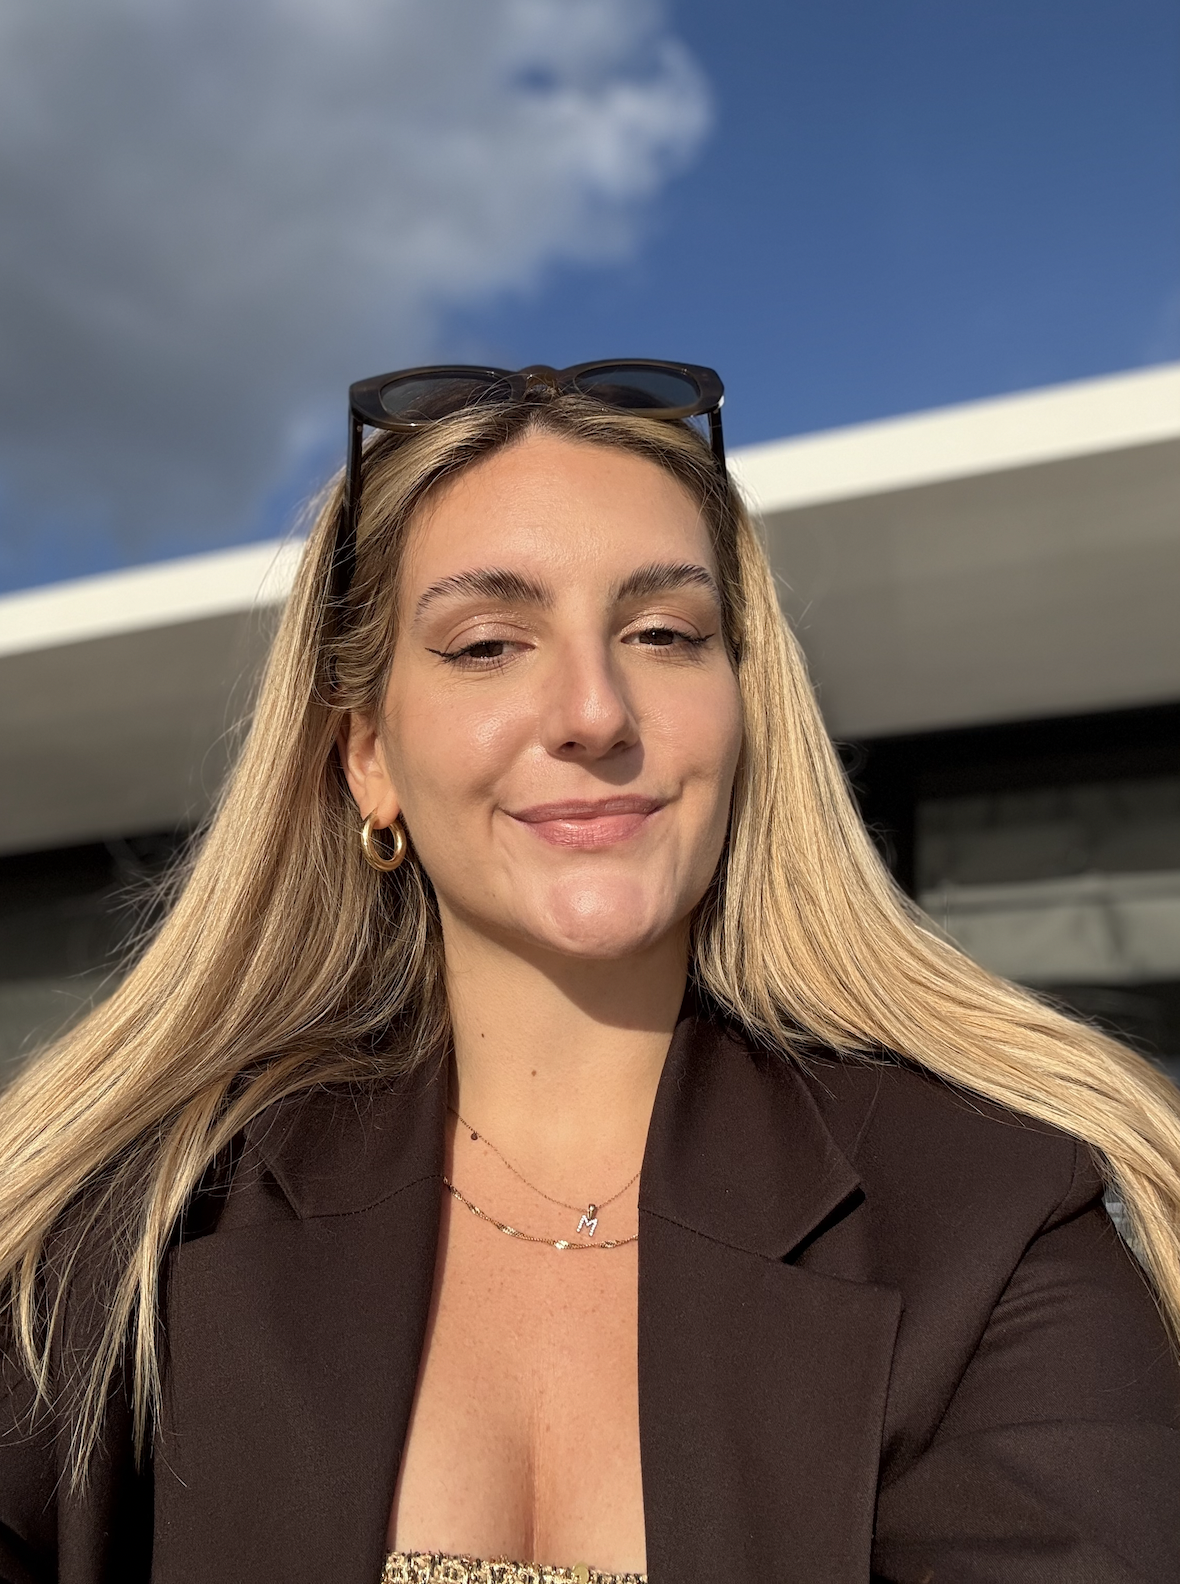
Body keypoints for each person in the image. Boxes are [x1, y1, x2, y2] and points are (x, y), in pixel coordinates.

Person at [1, 360, 1179, 1584]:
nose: (593, 711)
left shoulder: (990, 1217)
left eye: (665, 634)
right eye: (487, 643)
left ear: (740, 709)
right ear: (367, 761)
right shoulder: (125, 1233)